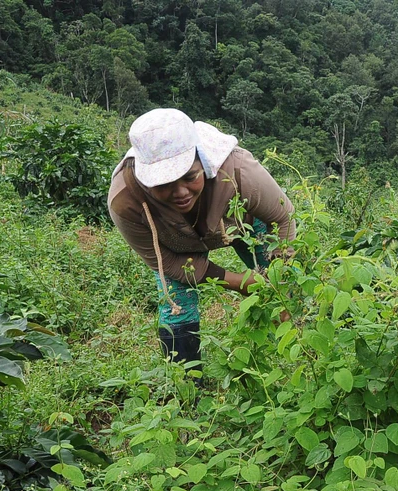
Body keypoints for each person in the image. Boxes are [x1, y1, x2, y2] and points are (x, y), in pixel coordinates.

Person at [108, 108, 295, 368]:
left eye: (189, 176)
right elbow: (168, 263)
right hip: (177, 244)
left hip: (240, 223)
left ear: (203, 162)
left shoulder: (238, 171)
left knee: (283, 293)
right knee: (177, 307)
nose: (180, 192)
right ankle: (187, 391)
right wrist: (238, 282)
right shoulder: (125, 200)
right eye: (163, 185)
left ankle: (301, 363)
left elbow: (282, 218)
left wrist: (281, 276)